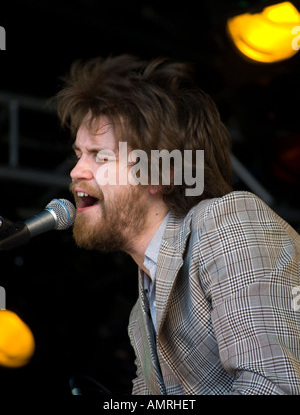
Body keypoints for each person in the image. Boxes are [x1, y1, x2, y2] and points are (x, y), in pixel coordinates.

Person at [55, 54, 300, 395]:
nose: (76, 171)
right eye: (79, 153)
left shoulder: (227, 224)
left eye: (100, 155)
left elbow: (277, 387)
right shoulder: (140, 316)